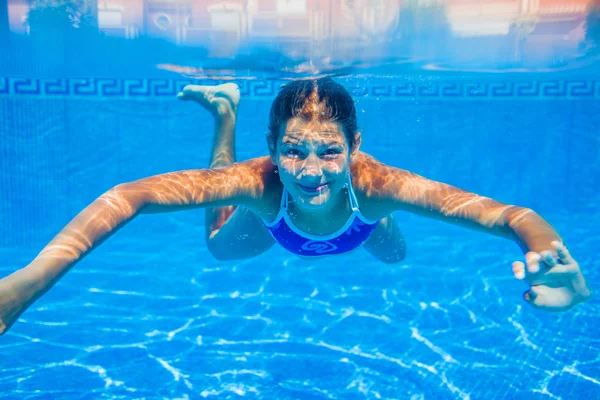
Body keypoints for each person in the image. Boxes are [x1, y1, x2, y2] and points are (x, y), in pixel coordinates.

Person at [0, 78, 591, 335]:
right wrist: (30, 281)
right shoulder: (261, 182)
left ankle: (372, 216)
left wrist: (543, 247)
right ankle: (225, 113)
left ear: (355, 146)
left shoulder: (378, 181)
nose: (310, 172)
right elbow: (130, 196)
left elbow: (507, 213)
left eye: (330, 151)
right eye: (293, 152)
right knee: (216, 245)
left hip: (363, 221)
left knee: (393, 256)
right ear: (273, 149)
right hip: (276, 226)